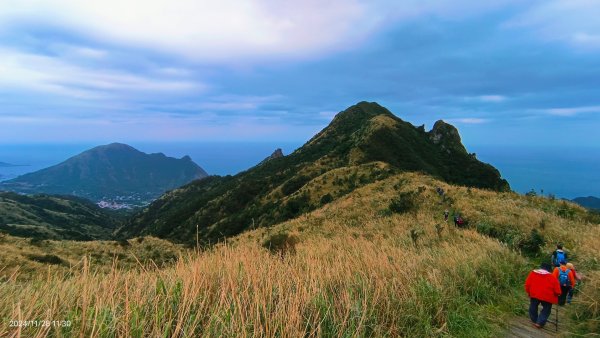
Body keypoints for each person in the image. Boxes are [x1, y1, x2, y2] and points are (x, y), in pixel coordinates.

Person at [525, 262, 562, 329]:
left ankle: (534, 320)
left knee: (533, 306)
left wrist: (529, 292)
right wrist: (558, 294)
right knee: (546, 309)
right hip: (547, 296)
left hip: (534, 294)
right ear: (549, 269)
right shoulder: (552, 277)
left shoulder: (533, 273)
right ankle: (539, 323)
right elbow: (557, 290)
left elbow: (527, 284)